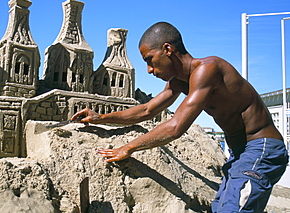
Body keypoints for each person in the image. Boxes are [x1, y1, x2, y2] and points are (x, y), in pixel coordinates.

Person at [71, 22, 289, 212]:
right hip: (239, 154)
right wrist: (100, 117)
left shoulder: (207, 69)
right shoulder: (178, 82)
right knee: (220, 207)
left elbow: (176, 127)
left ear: (167, 49)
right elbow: (146, 110)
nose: (148, 70)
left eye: (150, 59)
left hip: (261, 148)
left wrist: (128, 148)